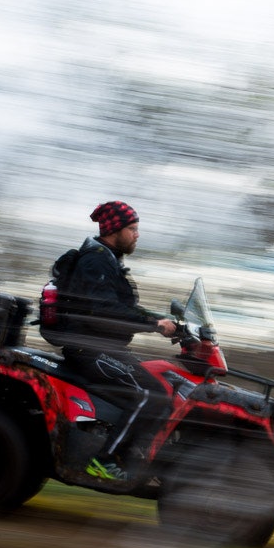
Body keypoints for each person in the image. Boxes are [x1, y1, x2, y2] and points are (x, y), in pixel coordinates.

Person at [56, 200, 177, 481]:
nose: (137, 234)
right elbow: (102, 309)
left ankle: (134, 454)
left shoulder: (108, 259)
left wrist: (162, 320)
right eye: (132, 228)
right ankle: (105, 460)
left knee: (162, 386)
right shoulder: (96, 260)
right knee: (152, 394)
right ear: (114, 230)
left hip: (103, 348)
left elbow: (121, 308)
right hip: (89, 349)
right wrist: (154, 324)